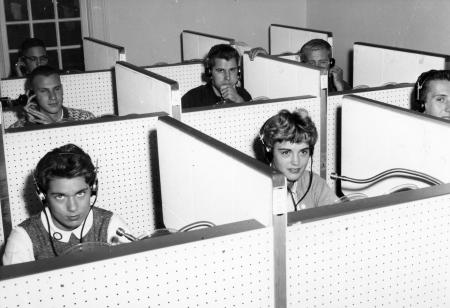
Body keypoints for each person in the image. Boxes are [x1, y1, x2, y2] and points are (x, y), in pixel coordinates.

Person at [2, 144, 130, 265]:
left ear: (93, 189)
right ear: (42, 196)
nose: (73, 207)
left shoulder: (113, 226)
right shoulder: (22, 239)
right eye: (60, 196)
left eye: (80, 194)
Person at [259, 109, 338, 211]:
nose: (296, 162)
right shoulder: (256, 189)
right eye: (286, 153)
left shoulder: (313, 182)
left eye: (303, 152)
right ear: (270, 151)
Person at [249, 39, 351, 93]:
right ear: (302, 63)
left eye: (322, 62)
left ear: (331, 63)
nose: (317, 67)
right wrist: (265, 59)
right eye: (311, 63)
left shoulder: (337, 83)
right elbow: (275, 79)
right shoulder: (296, 79)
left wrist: (339, 86)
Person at [9, 65, 95, 128]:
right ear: (32, 94)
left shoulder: (85, 119)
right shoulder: (18, 128)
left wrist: (55, 127)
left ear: (62, 89)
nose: (53, 97)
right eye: (44, 91)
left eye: (56, 89)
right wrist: (31, 126)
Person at [182, 44, 252, 109]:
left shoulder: (244, 95)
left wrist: (239, 101)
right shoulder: (192, 99)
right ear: (209, 72)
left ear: (238, 72)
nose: (227, 77)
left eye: (232, 70)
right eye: (220, 70)